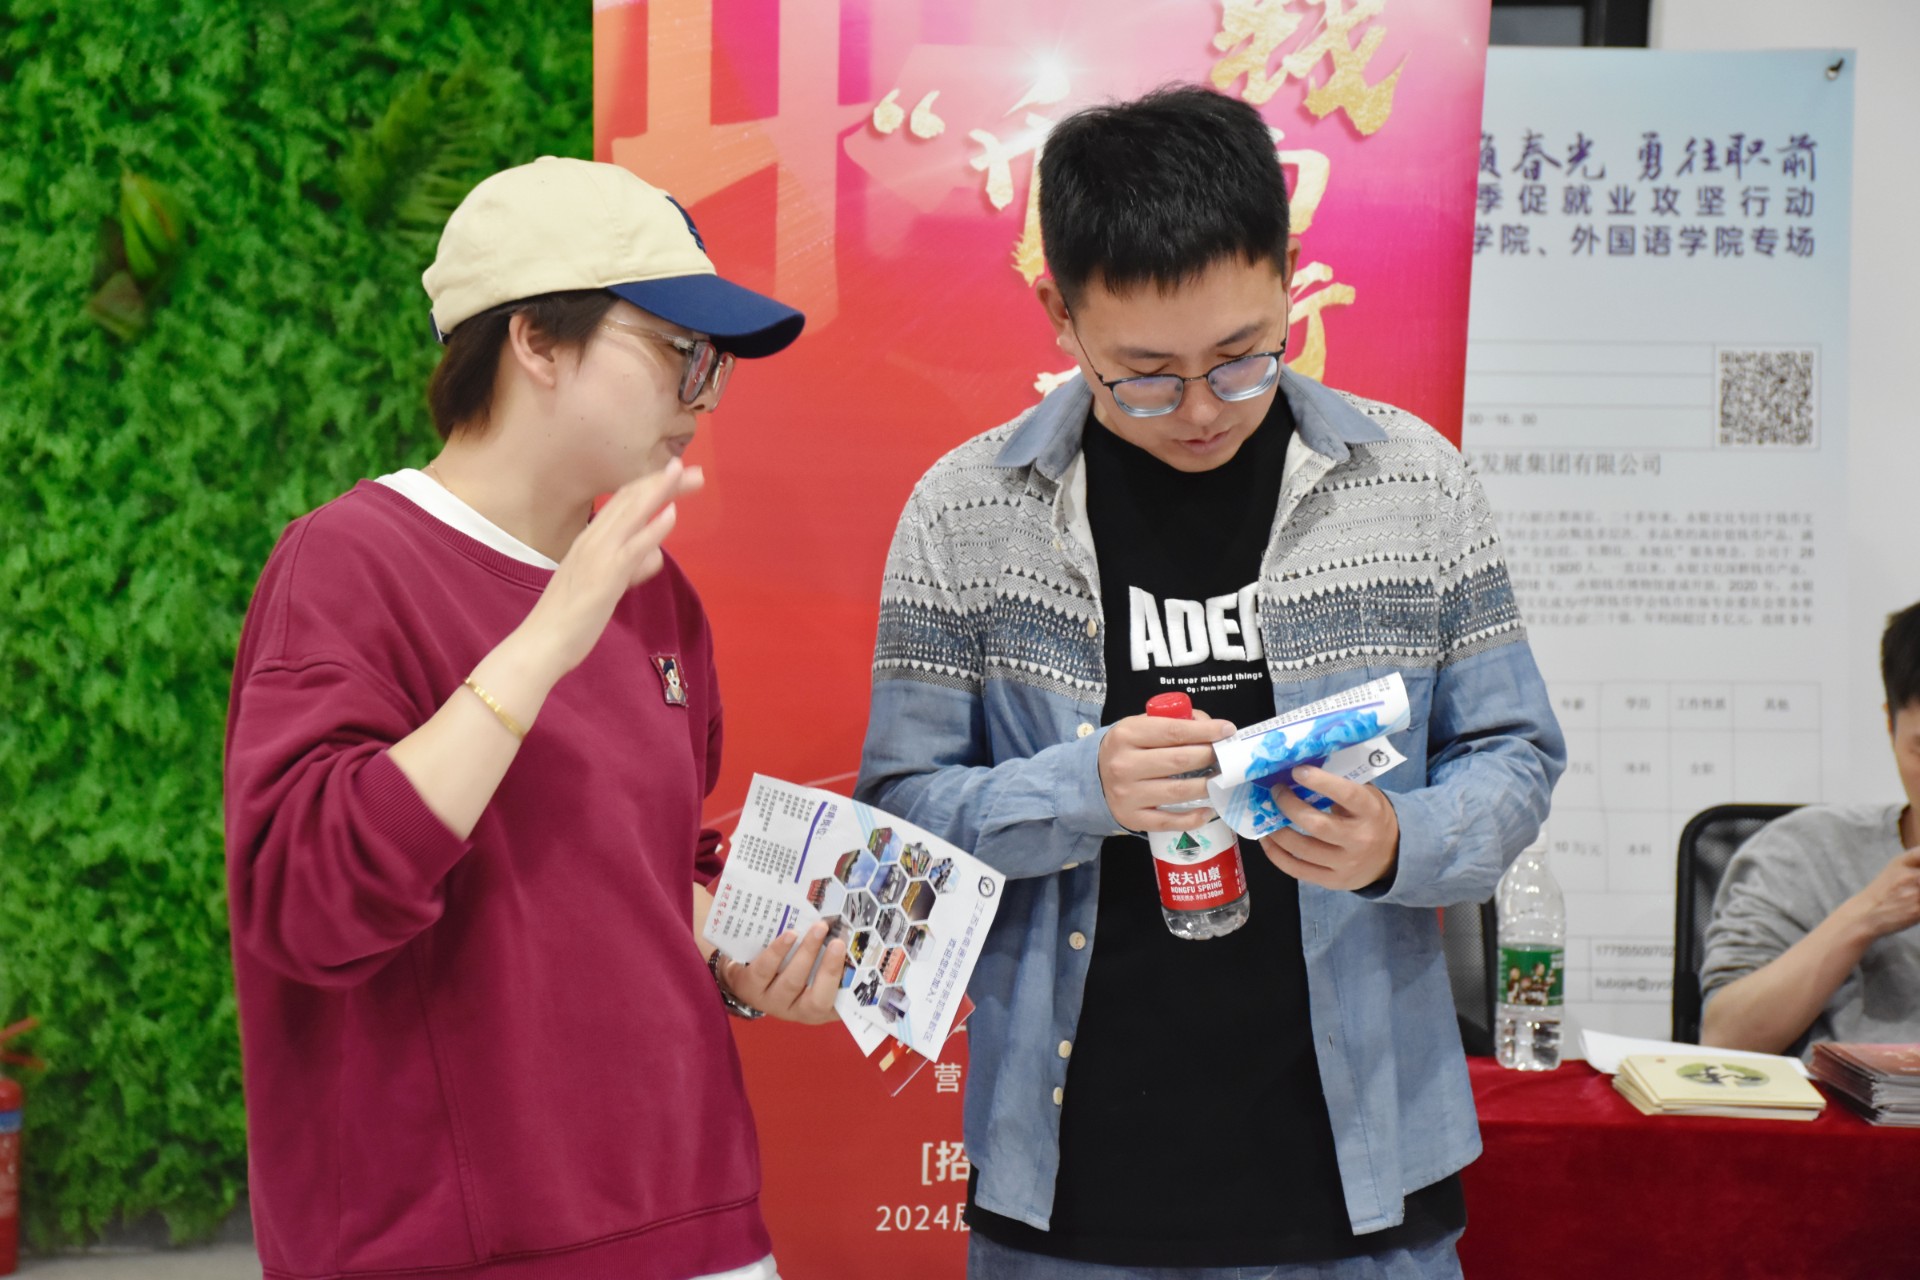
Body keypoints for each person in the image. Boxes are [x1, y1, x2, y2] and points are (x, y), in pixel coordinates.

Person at [855, 87, 1564, 1277]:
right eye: (1144, 373)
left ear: (1288, 280)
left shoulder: (1412, 485)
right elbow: (898, 816)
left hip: (1362, 1191)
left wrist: (1398, 840)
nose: (1198, 410)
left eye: (1240, 359)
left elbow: (1515, 752)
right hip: (1071, 1193)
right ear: (1060, 312)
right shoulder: (967, 514)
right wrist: (1079, 789)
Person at [224, 157, 845, 1280]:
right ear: (536, 341)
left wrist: (738, 954)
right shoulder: (351, 562)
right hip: (460, 1245)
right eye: (680, 351)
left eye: (715, 364)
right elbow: (307, 903)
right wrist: (548, 633)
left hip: (697, 1219)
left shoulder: (655, 591)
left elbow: (645, 871)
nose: (704, 397)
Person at [1701, 600, 1920, 1056]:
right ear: (1889, 726)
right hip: (1827, 1102)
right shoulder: (1803, 853)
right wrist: (1865, 915)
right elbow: (1725, 1038)